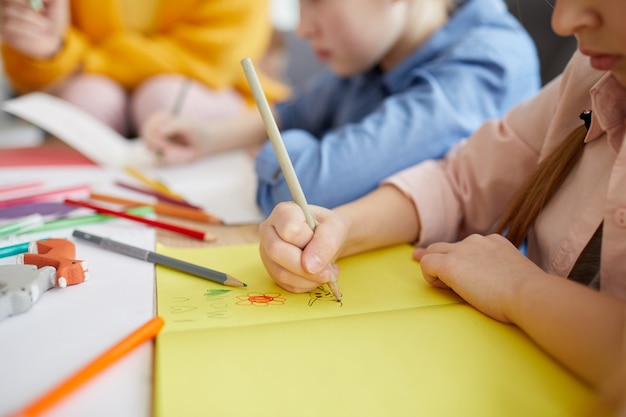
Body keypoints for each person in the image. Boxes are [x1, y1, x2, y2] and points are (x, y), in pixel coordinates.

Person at [257, 0, 626, 412]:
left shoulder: (485, 57)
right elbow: (461, 180)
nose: (562, 23)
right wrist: (342, 225)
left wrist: (521, 288)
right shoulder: (594, 69)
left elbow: (318, 176)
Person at [141, 0, 541, 215]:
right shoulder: (379, 51)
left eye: (315, 0)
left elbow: (308, 192)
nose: (301, 28)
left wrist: (279, 153)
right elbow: (297, 113)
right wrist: (207, 137)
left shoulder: (484, 65)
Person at [0, 0, 288, 137]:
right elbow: (28, 80)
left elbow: (212, 61)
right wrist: (44, 46)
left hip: (206, 94)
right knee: (86, 100)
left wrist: (73, 55)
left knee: (166, 98)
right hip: (92, 90)